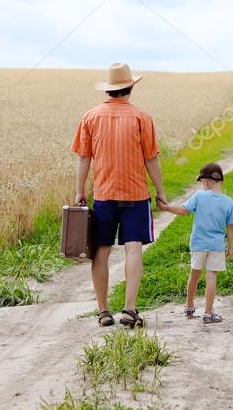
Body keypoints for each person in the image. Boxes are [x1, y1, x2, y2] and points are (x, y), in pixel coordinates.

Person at [72, 63, 168, 329]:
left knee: (101, 251)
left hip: (104, 194)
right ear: (130, 87)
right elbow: (151, 159)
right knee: (133, 248)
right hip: (136, 194)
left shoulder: (90, 117)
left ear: (110, 89)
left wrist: (80, 191)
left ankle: (103, 312)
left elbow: (84, 157)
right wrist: (160, 192)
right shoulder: (142, 118)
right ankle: (129, 309)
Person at [158, 162, 233, 324]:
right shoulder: (229, 202)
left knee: (194, 275)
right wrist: (230, 247)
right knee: (211, 278)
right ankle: (208, 313)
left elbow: (183, 211)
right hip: (216, 246)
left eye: (201, 182)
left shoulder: (199, 196)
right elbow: (231, 228)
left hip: (198, 244)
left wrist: (166, 208)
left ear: (206, 182)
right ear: (221, 181)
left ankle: (189, 306)